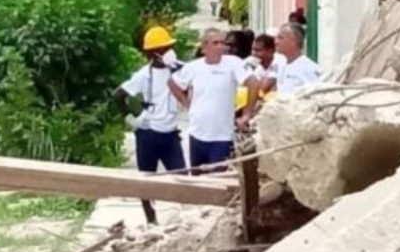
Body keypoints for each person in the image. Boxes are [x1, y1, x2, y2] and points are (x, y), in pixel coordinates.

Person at [115, 26, 186, 225]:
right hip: (148, 134)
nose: (169, 52)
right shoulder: (143, 76)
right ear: (153, 54)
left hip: (170, 134)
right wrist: (132, 119)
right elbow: (118, 95)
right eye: (164, 49)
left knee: (182, 177)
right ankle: (151, 220)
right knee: (146, 180)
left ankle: (185, 218)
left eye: (170, 47)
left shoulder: (180, 70)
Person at [169, 28, 259, 172]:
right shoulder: (193, 67)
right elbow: (173, 83)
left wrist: (247, 114)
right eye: (216, 43)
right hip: (197, 134)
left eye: (223, 43)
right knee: (198, 179)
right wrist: (186, 103)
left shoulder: (233, 64)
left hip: (222, 137)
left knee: (217, 179)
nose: (221, 47)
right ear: (204, 47)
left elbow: (253, 83)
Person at [275, 22, 322, 94]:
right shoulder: (281, 64)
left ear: (293, 41)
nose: (276, 42)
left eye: (280, 38)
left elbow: (315, 95)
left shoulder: (309, 68)